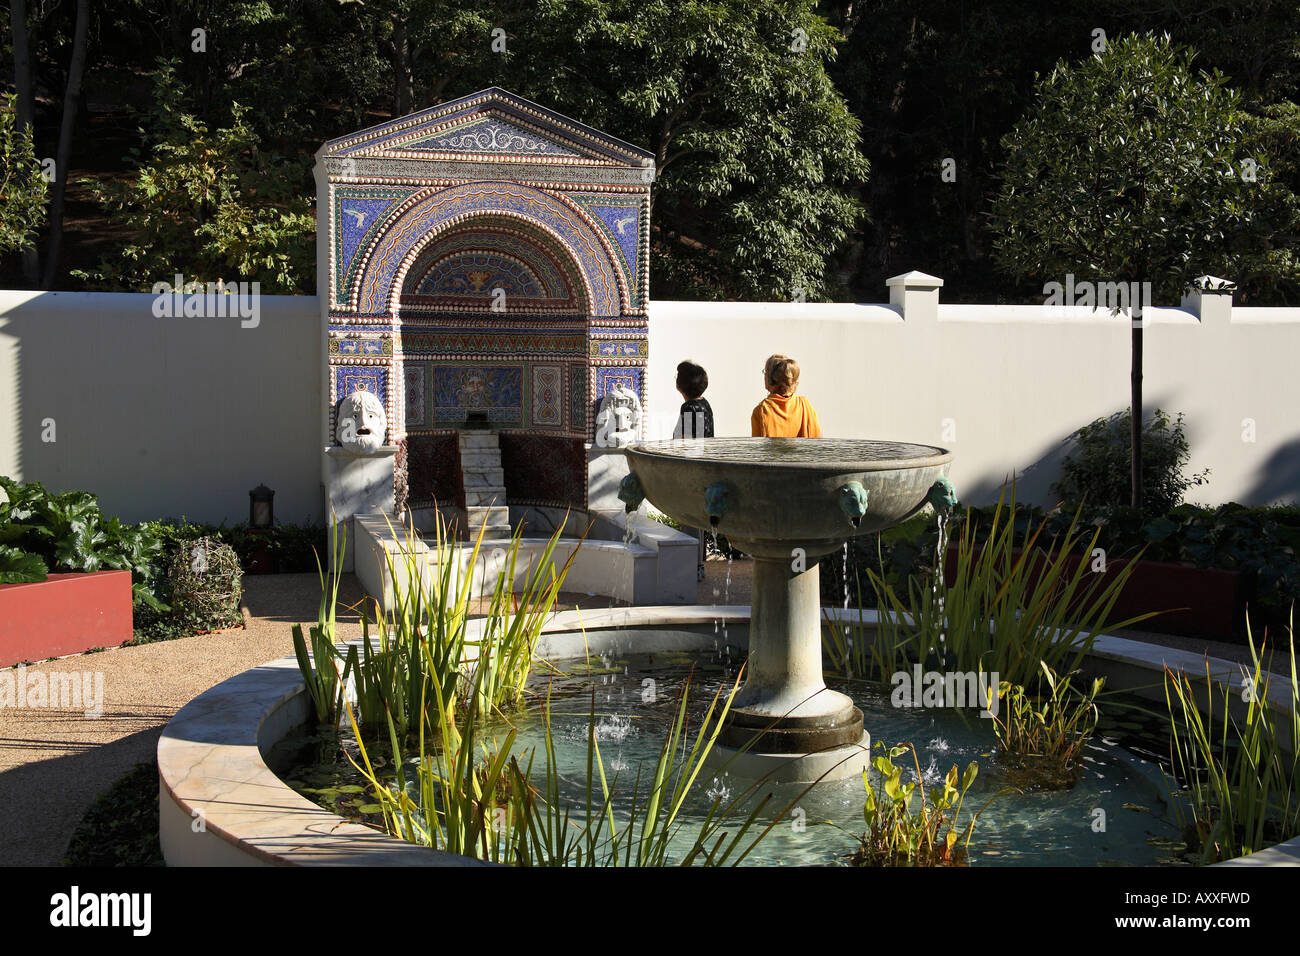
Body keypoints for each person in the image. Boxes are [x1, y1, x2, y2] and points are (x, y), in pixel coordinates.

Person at [673, 360, 714, 580]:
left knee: (689, 518)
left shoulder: (689, 407)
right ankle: (698, 565)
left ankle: (692, 567)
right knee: (698, 520)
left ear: (681, 385)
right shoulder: (705, 404)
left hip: (692, 469)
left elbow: (688, 441)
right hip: (704, 467)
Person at [751, 354, 822, 438]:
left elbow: (758, 449)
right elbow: (819, 443)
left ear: (769, 378)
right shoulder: (805, 405)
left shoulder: (761, 410)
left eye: (765, 372)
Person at [673, 360, 714, 440]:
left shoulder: (689, 407)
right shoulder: (705, 403)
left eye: (678, 376)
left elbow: (686, 441)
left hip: (694, 452)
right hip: (706, 451)